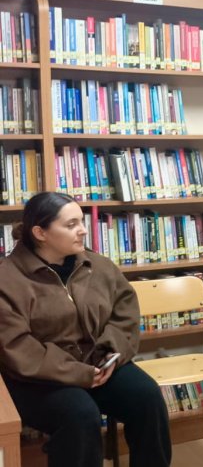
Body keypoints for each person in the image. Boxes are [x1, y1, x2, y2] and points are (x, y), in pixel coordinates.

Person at [0, 192, 171, 467]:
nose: (83, 230)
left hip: (97, 364)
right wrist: (79, 374)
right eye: (71, 225)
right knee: (79, 414)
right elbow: (18, 347)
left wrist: (110, 353)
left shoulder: (96, 265)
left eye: (81, 221)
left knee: (147, 397)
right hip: (39, 378)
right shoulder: (7, 279)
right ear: (40, 233)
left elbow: (124, 311)